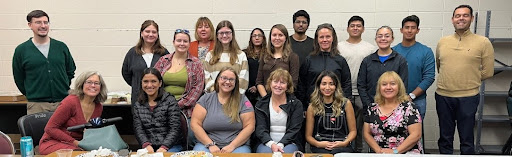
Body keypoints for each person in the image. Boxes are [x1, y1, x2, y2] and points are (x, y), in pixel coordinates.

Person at [435, 5, 494, 155]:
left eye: (465, 15)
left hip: (468, 97)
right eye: (457, 16)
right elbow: (440, 66)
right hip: (443, 96)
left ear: (472, 19)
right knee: (445, 137)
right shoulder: (443, 41)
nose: (461, 18)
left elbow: (488, 71)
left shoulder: (483, 42)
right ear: (452, 20)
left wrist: (468, 79)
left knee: (466, 139)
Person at [12, 10, 76, 114]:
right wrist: (32, 93)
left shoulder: (61, 47)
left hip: (63, 102)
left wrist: (61, 86)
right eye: (38, 22)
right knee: (38, 131)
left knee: (65, 130)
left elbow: (70, 70)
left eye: (45, 22)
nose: (43, 26)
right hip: (37, 105)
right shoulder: (21, 50)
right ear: (30, 25)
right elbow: (19, 77)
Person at [39, 71, 107, 155]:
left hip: (78, 145)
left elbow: (89, 131)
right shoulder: (70, 102)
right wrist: (76, 143)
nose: (93, 85)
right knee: (81, 154)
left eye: (96, 83)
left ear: (101, 87)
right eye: (89, 82)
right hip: (54, 142)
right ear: (82, 85)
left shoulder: (98, 107)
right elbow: (50, 128)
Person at [191, 67, 255, 153]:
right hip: (206, 145)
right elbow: (195, 124)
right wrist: (210, 144)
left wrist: (232, 146)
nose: (227, 82)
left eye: (231, 79)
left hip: (237, 146)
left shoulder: (243, 101)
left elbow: (250, 126)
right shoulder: (205, 99)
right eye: (224, 78)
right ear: (217, 80)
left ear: (236, 83)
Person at [338, 15, 377, 152]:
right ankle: (345, 152)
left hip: (362, 94)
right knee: (344, 127)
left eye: (358, 26)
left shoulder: (370, 48)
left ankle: (360, 152)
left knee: (362, 128)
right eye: (352, 26)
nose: (355, 28)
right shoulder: (339, 47)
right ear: (347, 28)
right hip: (342, 94)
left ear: (363, 29)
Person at [363, 71, 422, 154]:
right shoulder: (372, 108)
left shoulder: (409, 107)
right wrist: (379, 151)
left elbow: (416, 135)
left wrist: (394, 152)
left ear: (399, 87)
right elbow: (366, 133)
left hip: (405, 153)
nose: (388, 87)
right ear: (379, 88)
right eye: (384, 84)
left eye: (393, 84)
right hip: (379, 153)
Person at [299, 23, 352, 109]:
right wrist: (304, 107)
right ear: (317, 39)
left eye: (328, 37)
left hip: (336, 108)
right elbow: (301, 85)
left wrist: (343, 106)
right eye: (321, 37)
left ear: (333, 38)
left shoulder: (340, 61)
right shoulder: (309, 60)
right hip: (313, 107)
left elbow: (346, 84)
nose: (324, 40)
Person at [154, 29, 204, 119]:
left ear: (189, 44)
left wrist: (175, 106)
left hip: (186, 112)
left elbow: (197, 89)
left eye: (185, 41)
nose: (182, 43)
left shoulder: (196, 63)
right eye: (179, 40)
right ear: (173, 42)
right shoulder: (163, 61)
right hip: (161, 109)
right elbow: (153, 82)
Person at [393, 15, 435, 120]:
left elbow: (429, 77)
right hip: (394, 99)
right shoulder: (392, 51)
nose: (409, 30)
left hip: (417, 100)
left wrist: (412, 96)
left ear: (418, 30)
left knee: (416, 134)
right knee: (395, 134)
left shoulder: (426, 51)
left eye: (413, 27)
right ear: (401, 30)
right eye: (407, 27)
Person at [357, 26, 408, 111]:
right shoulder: (367, 61)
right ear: (376, 39)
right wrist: (369, 105)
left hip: (394, 109)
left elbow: (403, 85)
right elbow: (361, 85)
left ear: (392, 39)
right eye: (380, 36)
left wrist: (395, 106)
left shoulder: (400, 60)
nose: (383, 39)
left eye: (387, 36)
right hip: (371, 108)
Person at [305, 71, 356, 154]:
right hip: (320, 147)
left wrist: (345, 143)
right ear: (319, 86)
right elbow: (308, 136)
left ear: (336, 86)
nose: (327, 87)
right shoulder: (312, 106)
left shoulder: (346, 104)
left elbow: (353, 131)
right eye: (324, 84)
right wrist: (318, 144)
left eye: (331, 84)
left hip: (342, 146)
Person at [132, 68, 182, 153]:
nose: (149, 85)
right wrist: (146, 144)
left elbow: (175, 128)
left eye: (153, 81)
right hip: (149, 147)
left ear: (160, 83)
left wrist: (164, 147)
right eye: (145, 81)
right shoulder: (138, 104)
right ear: (141, 83)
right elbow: (138, 129)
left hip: (171, 146)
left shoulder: (170, 101)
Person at [254, 68, 303, 153]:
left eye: (282, 82)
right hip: (266, 143)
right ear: (270, 83)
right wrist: (271, 144)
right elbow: (260, 129)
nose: (278, 85)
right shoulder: (261, 104)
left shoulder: (296, 104)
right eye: (275, 82)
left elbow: (294, 129)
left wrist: (281, 144)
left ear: (288, 86)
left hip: (289, 143)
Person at [122, 20, 169, 104]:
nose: (150, 34)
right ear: (141, 33)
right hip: (138, 99)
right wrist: (137, 84)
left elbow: (169, 73)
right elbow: (126, 73)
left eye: (154, 32)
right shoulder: (132, 53)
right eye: (147, 31)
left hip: (159, 100)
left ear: (157, 35)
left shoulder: (164, 53)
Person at [203, 20, 249, 94]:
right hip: (215, 97)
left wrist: (233, 96)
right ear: (217, 35)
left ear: (232, 34)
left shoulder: (241, 55)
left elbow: (243, 80)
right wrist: (218, 94)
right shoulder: (210, 55)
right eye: (221, 33)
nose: (224, 36)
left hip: (235, 98)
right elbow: (207, 77)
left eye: (227, 32)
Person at [256, 24, 300, 97]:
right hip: (265, 99)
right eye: (274, 35)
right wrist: (267, 99)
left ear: (285, 38)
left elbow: (293, 83)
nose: (277, 38)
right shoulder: (265, 56)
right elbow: (259, 81)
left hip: (284, 99)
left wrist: (278, 99)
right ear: (270, 38)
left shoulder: (293, 57)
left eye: (280, 35)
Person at [242, 28, 267, 105]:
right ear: (251, 38)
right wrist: (249, 86)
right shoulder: (244, 53)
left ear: (263, 38)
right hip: (247, 90)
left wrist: (258, 86)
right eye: (254, 36)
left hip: (263, 89)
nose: (257, 38)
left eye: (259, 35)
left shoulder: (268, 54)